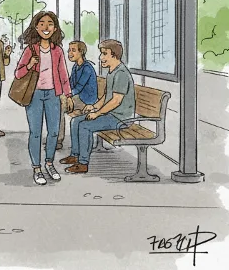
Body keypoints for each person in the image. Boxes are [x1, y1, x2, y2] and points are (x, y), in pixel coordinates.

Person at [14, 11, 73, 186]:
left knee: (54, 132)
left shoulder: (57, 50)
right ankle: (36, 168)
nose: (46, 27)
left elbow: (63, 74)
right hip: (35, 95)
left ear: (55, 28)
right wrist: (29, 65)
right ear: (36, 27)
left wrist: (68, 95)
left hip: (53, 95)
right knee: (36, 133)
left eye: (50, 24)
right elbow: (18, 73)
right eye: (42, 23)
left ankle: (49, 163)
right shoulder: (30, 49)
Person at [61, 39, 137, 174]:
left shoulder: (121, 74)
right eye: (101, 53)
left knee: (85, 126)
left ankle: (83, 163)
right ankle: (75, 155)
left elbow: (116, 101)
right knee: (76, 121)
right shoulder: (112, 72)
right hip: (111, 114)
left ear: (114, 55)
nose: (101, 57)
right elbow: (106, 96)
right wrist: (94, 106)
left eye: (104, 54)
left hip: (121, 118)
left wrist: (97, 113)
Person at [57, 41, 98, 150]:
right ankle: (56, 137)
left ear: (81, 52)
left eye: (73, 50)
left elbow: (79, 87)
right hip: (78, 98)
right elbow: (70, 84)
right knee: (58, 101)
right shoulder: (76, 67)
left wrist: (68, 96)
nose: (70, 53)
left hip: (87, 100)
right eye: (69, 50)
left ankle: (58, 139)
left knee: (60, 105)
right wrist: (66, 94)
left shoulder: (87, 68)